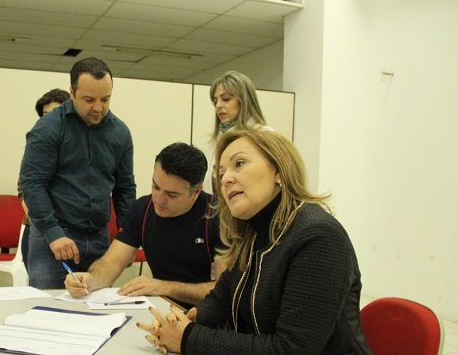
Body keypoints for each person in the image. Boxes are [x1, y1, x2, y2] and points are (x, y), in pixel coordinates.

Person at [138, 129, 372, 355]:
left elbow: (292, 349)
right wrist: (184, 321)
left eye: (239, 164)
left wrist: (188, 338)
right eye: (221, 172)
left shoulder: (319, 237)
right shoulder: (254, 233)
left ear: (278, 171)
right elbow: (222, 297)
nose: (226, 179)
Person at [19, 57, 136, 289]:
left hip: (99, 238)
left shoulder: (120, 133)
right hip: (53, 237)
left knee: (95, 311)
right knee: (50, 311)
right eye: (89, 99)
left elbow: (125, 188)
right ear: (72, 92)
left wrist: (128, 235)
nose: (98, 107)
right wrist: (53, 233)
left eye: (105, 99)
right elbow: (32, 184)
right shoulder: (49, 128)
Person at [64, 142, 224, 307]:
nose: (159, 199)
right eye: (155, 186)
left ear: (196, 192)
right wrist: (90, 280)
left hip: (207, 315)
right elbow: (112, 263)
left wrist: (164, 287)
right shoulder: (143, 209)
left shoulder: (219, 217)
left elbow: (224, 291)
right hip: (161, 308)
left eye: (172, 194)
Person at [18, 88, 71, 270]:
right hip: (39, 229)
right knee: (41, 293)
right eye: (44, 115)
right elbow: (24, 190)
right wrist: (40, 221)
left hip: (71, 230)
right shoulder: (38, 146)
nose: (49, 121)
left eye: (55, 114)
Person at [205, 71, 270, 194]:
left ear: (244, 100)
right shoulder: (215, 141)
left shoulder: (263, 136)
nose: (218, 105)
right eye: (215, 101)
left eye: (226, 99)